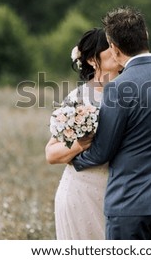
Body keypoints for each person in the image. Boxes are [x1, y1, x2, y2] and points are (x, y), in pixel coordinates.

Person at [72, 7, 151, 240]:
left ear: (114, 49)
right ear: (146, 36)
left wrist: (74, 160)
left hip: (130, 205)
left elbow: (102, 151)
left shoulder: (118, 88)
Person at [45, 28, 122, 240]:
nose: (117, 50)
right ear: (91, 60)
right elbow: (51, 154)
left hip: (120, 193)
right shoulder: (78, 98)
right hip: (80, 193)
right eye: (109, 47)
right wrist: (80, 144)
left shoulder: (132, 92)